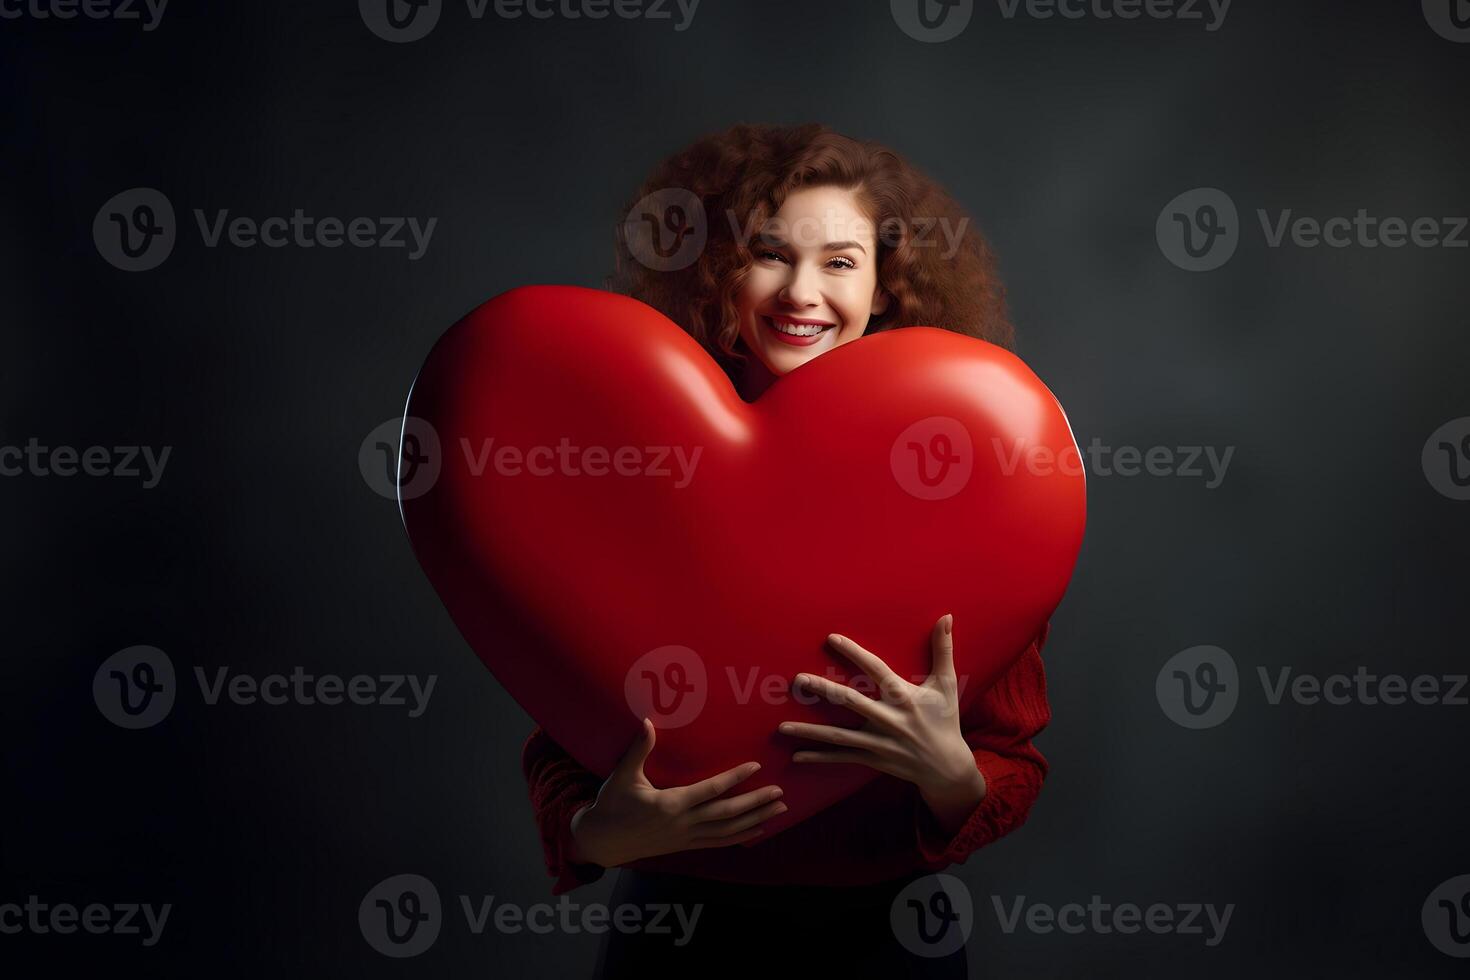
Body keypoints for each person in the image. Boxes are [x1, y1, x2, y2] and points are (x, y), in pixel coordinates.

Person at [521, 123, 1052, 976]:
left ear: (884, 287)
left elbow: (1010, 757)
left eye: (839, 262)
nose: (801, 292)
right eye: (769, 255)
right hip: (675, 936)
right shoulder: (638, 454)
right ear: (719, 272)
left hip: (891, 939)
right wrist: (595, 835)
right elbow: (563, 711)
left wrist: (947, 770)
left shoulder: (960, 470)